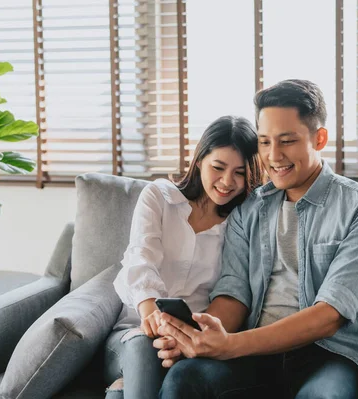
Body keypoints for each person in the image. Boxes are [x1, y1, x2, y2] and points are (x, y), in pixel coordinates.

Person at [155, 80, 358, 399]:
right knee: (185, 378)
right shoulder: (248, 209)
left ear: (319, 138)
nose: (273, 156)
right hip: (254, 354)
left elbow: (329, 315)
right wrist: (196, 336)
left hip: (333, 357)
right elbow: (234, 293)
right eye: (265, 142)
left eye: (287, 141)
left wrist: (231, 345)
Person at [104, 115, 262, 399]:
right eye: (218, 167)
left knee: (124, 392)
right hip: (133, 331)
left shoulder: (240, 225)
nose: (227, 182)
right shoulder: (159, 196)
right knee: (144, 346)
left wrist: (186, 339)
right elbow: (141, 258)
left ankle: (120, 388)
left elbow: (234, 294)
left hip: (193, 343)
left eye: (240, 172)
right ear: (199, 160)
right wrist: (151, 315)